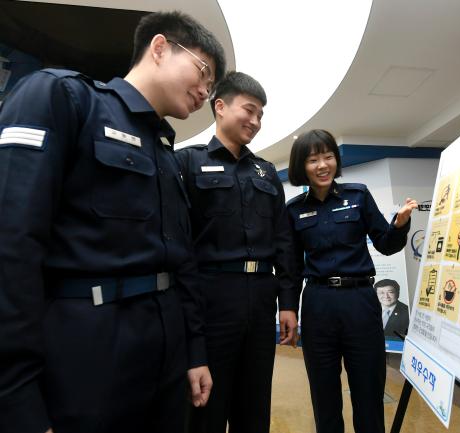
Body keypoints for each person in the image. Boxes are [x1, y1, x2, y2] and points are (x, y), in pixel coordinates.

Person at [0, 11, 224, 433]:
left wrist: (195, 351)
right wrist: (16, 396)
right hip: (88, 352)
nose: (205, 91)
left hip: (165, 352)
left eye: (211, 85)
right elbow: (13, 246)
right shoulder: (64, 98)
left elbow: (182, 262)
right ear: (160, 48)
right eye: (203, 71)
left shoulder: (167, 153)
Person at [176, 71, 299, 433]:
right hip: (211, 295)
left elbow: (283, 240)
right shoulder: (186, 163)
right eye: (249, 110)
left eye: (261, 114)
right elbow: (179, 243)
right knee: (206, 404)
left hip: (261, 296)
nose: (256, 121)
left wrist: (288, 302)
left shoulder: (266, 172)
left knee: (255, 402)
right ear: (220, 106)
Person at [286, 129, 417, 433]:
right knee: (324, 394)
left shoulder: (358, 195)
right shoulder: (293, 210)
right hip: (318, 304)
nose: (322, 165)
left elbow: (385, 243)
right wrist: (288, 308)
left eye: (328, 156)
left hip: (359, 301)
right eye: (313, 159)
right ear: (300, 166)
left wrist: (399, 224)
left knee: (368, 392)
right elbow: (291, 267)